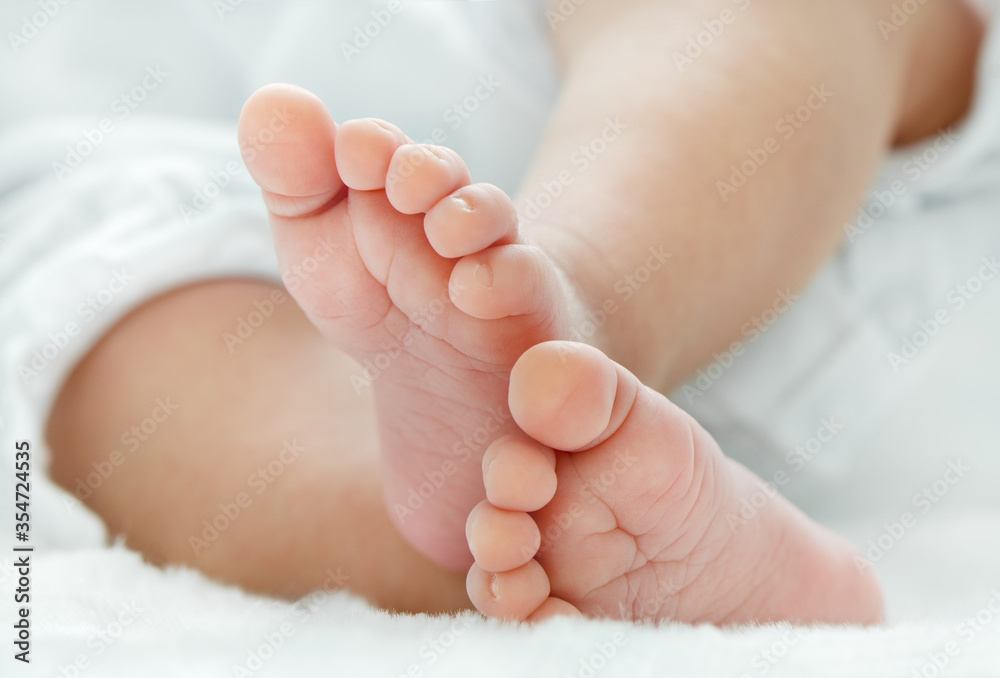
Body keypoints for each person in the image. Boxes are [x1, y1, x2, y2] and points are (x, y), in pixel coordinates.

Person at [44, 0, 986, 624]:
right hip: (107, 178)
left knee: (112, 317)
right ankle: (483, 522)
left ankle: (573, 304)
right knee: (117, 335)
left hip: (592, 75)